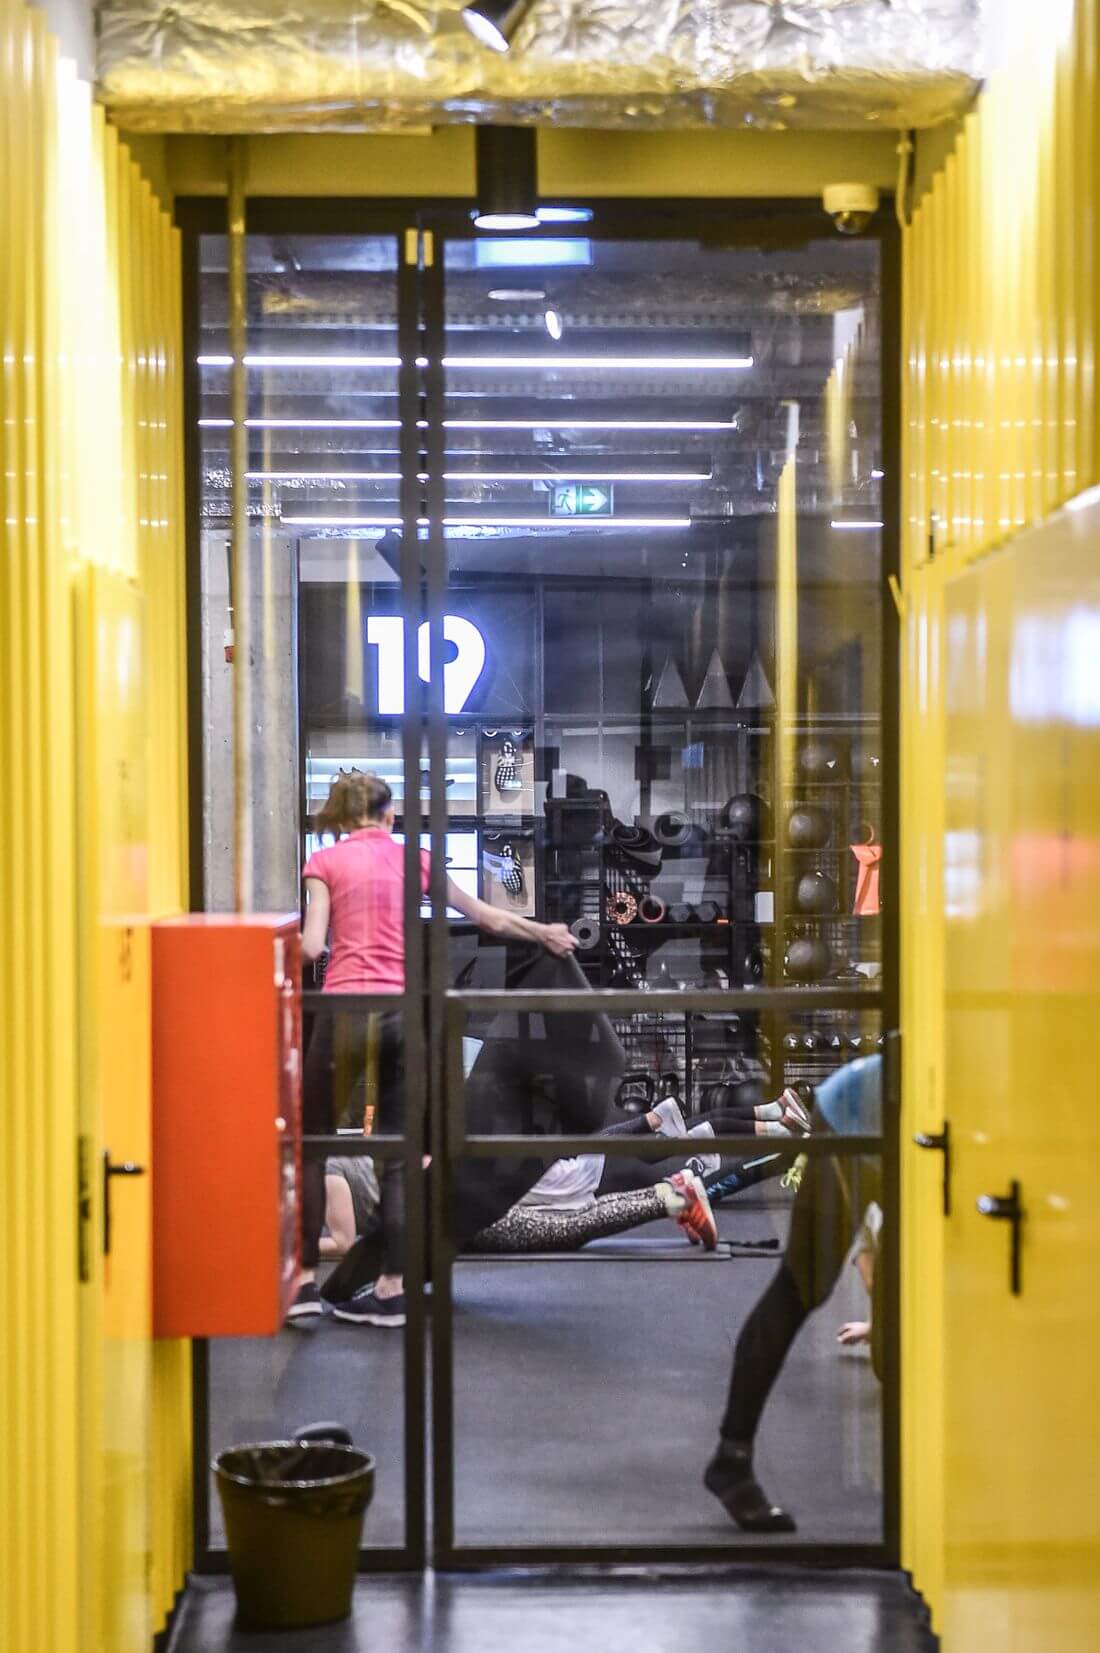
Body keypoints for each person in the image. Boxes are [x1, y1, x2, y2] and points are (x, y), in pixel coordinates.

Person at [290, 769, 576, 1328]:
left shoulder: (322, 864)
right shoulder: (414, 858)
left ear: (343, 817)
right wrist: (545, 933)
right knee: (398, 1155)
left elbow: (312, 947)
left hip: (346, 1013)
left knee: (313, 1146)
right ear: (389, 817)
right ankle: (393, 1290)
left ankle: (302, 1284)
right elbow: (487, 916)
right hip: (404, 1013)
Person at [702, 1054, 882, 1532]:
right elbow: (871, 1244)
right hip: (853, 1116)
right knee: (802, 1286)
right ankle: (732, 1459)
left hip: (883, 1118)